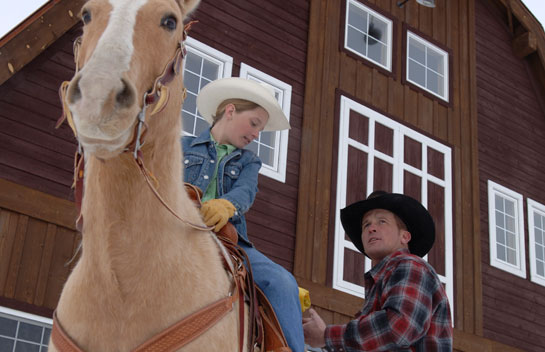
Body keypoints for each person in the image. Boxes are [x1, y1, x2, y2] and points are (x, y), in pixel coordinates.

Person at [182, 77, 304, 352]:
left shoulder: (249, 161)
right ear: (230, 110)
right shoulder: (181, 146)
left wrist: (226, 205)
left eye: (260, 129)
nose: (256, 135)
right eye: (254, 123)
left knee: (282, 282)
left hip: (229, 240)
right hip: (177, 229)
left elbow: (246, 192)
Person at [303, 191, 453, 351]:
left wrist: (326, 335)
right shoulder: (383, 280)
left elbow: (399, 328)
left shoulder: (411, 266)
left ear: (404, 237)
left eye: (382, 221)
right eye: (366, 224)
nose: (372, 228)